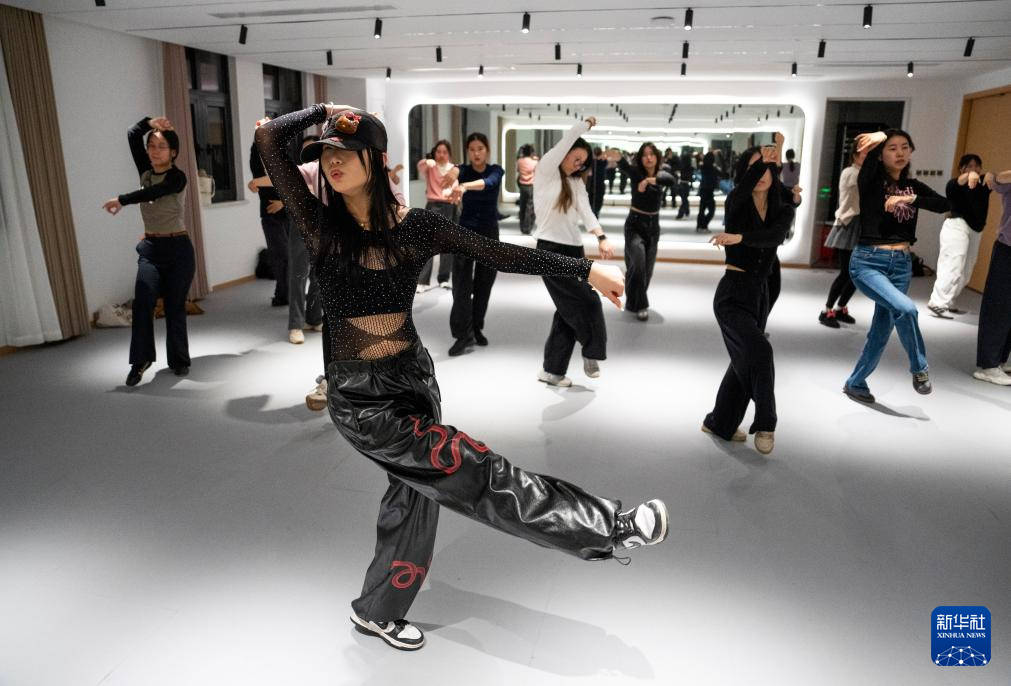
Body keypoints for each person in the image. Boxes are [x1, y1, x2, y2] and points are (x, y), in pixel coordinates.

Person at [254, 103, 668, 652]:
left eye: (346, 151)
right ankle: (609, 526)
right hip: (362, 403)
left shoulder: (417, 226)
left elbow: (499, 253)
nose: (333, 161)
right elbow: (268, 138)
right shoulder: (319, 223)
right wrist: (325, 111)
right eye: (326, 152)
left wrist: (584, 269)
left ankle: (377, 611)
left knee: (415, 495)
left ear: (375, 159)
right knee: (475, 471)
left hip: (413, 380)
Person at [842, 130, 949, 403]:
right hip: (868, 262)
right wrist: (881, 134)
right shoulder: (870, 181)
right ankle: (920, 368)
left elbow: (945, 205)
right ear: (880, 154)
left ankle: (855, 382)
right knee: (907, 308)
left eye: (904, 147)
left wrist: (911, 199)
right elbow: (871, 155)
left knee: (881, 330)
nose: (899, 152)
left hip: (901, 265)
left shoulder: (913, 186)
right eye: (892, 148)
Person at [702, 143, 794, 455]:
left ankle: (719, 422)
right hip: (732, 292)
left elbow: (774, 237)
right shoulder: (737, 200)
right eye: (755, 166)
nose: (762, 172)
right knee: (760, 350)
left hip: (761, 293)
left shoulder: (783, 208)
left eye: (767, 166)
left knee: (745, 359)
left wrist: (741, 238)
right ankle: (766, 421)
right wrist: (764, 161)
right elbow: (744, 189)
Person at [103, 115, 195, 386]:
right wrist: (150, 122)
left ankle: (179, 359)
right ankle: (140, 360)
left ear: (173, 152)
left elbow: (153, 193)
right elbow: (133, 134)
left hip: (178, 249)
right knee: (143, 302)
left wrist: (122, 200)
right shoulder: (146, 172)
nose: (155, 151)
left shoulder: (177, 177)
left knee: (175, 307)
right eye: (151, 146)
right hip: (151, 250)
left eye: (161, 146)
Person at [531, 117, 614, 386]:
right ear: (565, 153)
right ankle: (592, 351)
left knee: (566, 310)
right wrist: (585, 125)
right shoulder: (546, 171)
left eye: (583, 162)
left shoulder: (576, 183)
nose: (578, 165)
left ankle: (552, 371)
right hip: (549, 250)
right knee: (589, 301)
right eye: (576, 159)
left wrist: (601, 237)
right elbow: (568, 138)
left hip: (574, 250)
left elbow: (586, 211)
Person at [446, 133, 504, 356]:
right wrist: (454, 172)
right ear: (468, 152)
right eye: (472, 149)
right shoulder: (463, 170)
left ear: (487, 150)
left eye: (480, 148)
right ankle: (463, 334)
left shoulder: (495, 170)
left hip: (489, 234)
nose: (476, 153)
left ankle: (476, 327)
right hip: (465, 232)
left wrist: (463, 186)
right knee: (461, 284)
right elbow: (454, 171)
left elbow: (488, 183)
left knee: (484, 284)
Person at [614, 142, 675, 320]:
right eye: (645, 155)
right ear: (640, 158)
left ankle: (633, 301)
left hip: (653, 227)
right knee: (638, 264)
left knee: (646, 270)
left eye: (652, 154)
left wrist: (649, 181)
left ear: (657, 157)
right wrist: (616, 155)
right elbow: (624, 166)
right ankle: (641, 305)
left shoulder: (662, 174)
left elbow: (672, 181)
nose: (648, 158)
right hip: (635, 225)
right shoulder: (636, 173)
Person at [927, 154, 992, 318]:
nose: (974, 169)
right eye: (969, 166)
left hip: (976, 229)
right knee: (953, 264)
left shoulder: (983, 184)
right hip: (956, 226)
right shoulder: (954, 184)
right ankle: (937, 302)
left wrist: (991, 175)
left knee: (966, 269)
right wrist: (970, 175)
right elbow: (960, 182)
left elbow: (995, 178)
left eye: (977, 166)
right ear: (961, 168)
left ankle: (948, 301)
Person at [820, 146, 867, 328]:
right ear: (855, 155)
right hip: (848, 224)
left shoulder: (861, 173)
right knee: (846, 273)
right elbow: (864, 183)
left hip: (859, 225)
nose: (868, 158)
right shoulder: (850, 172)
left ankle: (840, 308)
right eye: (865, 154)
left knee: (857, 274)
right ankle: (826, 310)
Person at [974, 168, 1011, 385]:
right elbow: (995, 179)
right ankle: (988, 365)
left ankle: (1001, 360)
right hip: (1008, 248)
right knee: (998, 307)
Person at [249, 123, 289, 307]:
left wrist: (283, 203)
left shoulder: (283, 155)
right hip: (269, 214)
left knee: (290, 256)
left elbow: (293, 181)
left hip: (289, 212)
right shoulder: (257, 160)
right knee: (279, 255)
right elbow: (258, 174)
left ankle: (286, 293)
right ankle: (283, 294)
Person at [416, 140, 458, 291]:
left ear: (449, 154)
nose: (441, 154)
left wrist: (454, 192)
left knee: (447, 244)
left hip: (449, 207)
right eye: (438, 151)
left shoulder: (453, 169)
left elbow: (456, 185)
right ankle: (422, 281)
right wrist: (427, 161)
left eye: (444, 152)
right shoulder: (430, 166)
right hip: (433, 206)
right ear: (434, 153)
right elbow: (420, 166)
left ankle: (444, 278)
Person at [516, 143, 538, 234]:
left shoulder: (519, 161)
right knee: (530, 207)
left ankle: (522, 227)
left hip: (522, 186)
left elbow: (518, 170)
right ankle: (527, 228)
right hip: (531, 185)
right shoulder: (535, 162)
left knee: (522, 206)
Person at [696, 152, 720, 232]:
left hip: (703, 190)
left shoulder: (702, 167)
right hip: (709, 191)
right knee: (711, 210)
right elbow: (722, 173)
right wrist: (719, 155)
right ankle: (704, 225)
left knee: (702, 209)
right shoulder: (713, 169)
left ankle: (699, 226)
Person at [589, 146, 608, 218]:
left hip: (593, 184)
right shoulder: (603, 161)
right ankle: (595, 213)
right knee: (598, 199)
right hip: (599, 184)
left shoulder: (592, 162)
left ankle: (593, 214)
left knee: (592, 199)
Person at [676, 150, 693, 219]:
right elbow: (690, 177)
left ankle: (683, 212)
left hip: (682, 183)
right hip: (686, 184)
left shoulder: (682, 166)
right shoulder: (690, 167)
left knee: (684, 200)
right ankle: (686, 211)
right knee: (685, 200)